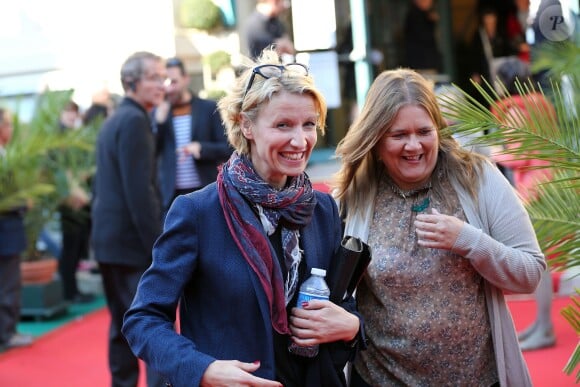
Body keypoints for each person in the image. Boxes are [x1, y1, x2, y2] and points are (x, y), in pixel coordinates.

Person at [122, 49, 364, 387]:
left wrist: (351, 326)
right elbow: (142, 319)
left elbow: (341, 303)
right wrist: (202, 370)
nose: (300, 140)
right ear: (245, 124)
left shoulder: (321, 208)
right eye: (283, 125)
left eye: (309, 124)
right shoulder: (198, 212)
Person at [333, 68, 546, 386]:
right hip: (379, 379)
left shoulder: (476, 178)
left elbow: (530, 274)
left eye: (424, 131)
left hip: (475, 378)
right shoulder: (354, 197)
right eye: (399, 135)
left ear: (439, 130)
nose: (414, 145)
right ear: (376, 140)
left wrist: (470, 241)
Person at [91, 51, 166, 387]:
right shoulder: (134, 121)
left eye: (162, 76)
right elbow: (141, 193)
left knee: (121, 325)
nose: (162, 84)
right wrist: (160, 247)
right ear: (132, 82)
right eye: (154, 77)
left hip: (109, 241)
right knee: (152, 325)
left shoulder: (117, 119)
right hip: (130, 244)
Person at [492, 57, 557, 351]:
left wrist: (489, 153)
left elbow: (521, 155)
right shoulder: (539, 103)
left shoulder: (516, 107)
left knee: (539, 262)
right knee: (543, 261)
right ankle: (542, 324)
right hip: (549, 181)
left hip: (535, 187)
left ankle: (545, 327)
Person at [154, 57, 232, 212]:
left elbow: (228, 148)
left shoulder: (207, 107)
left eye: (173, 82)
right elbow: (152, 152)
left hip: (205, 190)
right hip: (171, 195)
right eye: (165, 82)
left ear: (186, 79)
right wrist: (159, 123)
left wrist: (201, 148)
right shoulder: (159, 112)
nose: (169, 88)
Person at [0, 107, 34, 352]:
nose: (11, 129)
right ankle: (7, 333)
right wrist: (24, 202)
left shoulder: (6, 154)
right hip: (6, 230)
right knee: (8, 284)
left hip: (9, 229)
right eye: (8, 124)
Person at [56, 100, 95, 304]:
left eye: (74, 112)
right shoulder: (58, 138)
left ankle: (72, 290)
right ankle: (69, 291)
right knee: (70, 245)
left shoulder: (73, 135)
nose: (72, 116)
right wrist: (72, 192)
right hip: (69, 200)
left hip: (80, 196)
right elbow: (58, 171)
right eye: (68, 112)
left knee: (78, 243)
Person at [403, 0, 442, 72]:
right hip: (422, 64)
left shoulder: (424, 15)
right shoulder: (415, 16)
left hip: (424, 64)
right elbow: (425, 38)